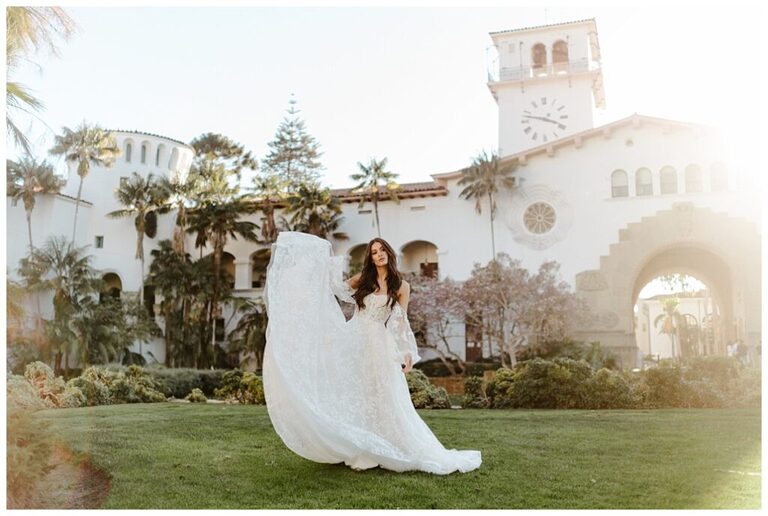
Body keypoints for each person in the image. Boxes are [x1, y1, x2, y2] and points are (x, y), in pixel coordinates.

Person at [262, 231, 481, 475]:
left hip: (379, 342)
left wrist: (406, 352)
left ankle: (385, 444)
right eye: (374, 252)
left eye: (382, 250)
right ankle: (362, 445)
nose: (379, 255)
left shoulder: (402, 286)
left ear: (389, 252)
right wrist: (321, 266)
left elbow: (400, 321)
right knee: (356, 391)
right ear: (371, 258)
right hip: (353, 337)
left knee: (382, 393)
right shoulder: (363, 279)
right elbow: (334, 289)